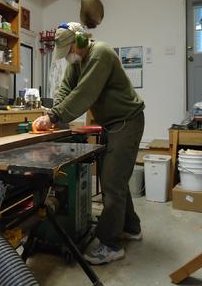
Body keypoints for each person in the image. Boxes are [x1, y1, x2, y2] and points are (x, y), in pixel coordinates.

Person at [33, 22, 145, 265]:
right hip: (111, 124)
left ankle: (110, 244)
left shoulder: (100, 53)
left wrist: (53, 117)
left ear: (81, 41)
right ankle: (131, 227)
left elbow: (84, 94)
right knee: (114, 179)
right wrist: (53, 114)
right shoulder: (78, 62)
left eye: (70, 49)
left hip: (127, 121)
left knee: (112, 183)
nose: (69, 56)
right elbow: (66, 88)